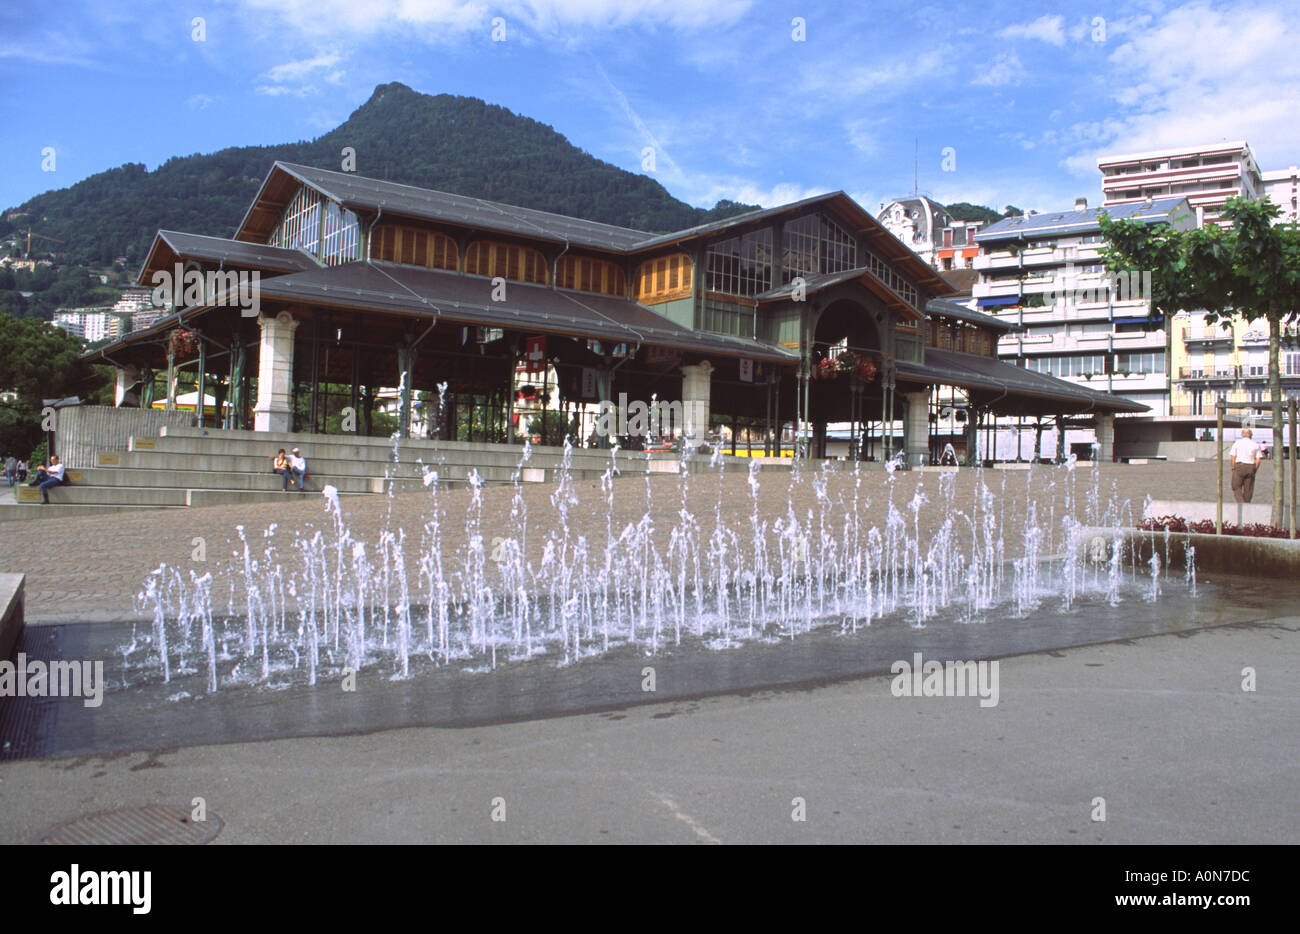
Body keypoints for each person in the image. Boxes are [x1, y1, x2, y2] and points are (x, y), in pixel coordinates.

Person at [1229, 428, 1263, 504]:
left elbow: (1233, 456)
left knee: (1236, 486)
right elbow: (1258, 459)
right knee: (1248, 488)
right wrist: (1255, 468)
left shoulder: (1237, 443)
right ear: (1251, 435)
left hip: (1240, 465)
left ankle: (1242, 503)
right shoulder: (1255, 444)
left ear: (1242, 434)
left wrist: (1233, 467)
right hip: (1251, 466)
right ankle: (1247, 503)